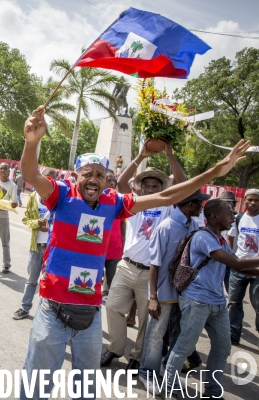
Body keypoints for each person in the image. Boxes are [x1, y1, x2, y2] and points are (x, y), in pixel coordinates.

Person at [18, 105, 249, 399]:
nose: (94, 179)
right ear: (76, 175)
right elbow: (30, 173)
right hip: (52, 311)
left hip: (89, 316)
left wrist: (216, 171)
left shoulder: (114, 203)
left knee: (85, 390)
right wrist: (32, 142)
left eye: (100, 175)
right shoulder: (60, 194)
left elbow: (167, 195)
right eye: (87, 173)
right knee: (35, 387)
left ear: (106, 180)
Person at [162, 199, 259, 400]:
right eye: (229, 212)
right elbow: (237, 263)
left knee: (223, 348)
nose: (234, 215)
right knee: (183, 347)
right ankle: (169, 386)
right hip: (197, 301)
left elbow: (237, 265)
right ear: (214, 216)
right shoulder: (203, 237)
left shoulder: (220, 240)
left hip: (217, 303)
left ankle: (213, 392)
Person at [103, 147, 187, 373]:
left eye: (155, 186)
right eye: (146, 185)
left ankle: (137, 356)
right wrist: (140, 156)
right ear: (139, 187)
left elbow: (183, 183)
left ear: (162, 188)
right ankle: (116, 347)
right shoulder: (134, 204)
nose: (150, 189)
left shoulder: (169, 206)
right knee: (112, 306)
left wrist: (169, 153)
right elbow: (120, 184)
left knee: (144, 318)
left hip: (152, 273)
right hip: (126, 265)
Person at [138, 190, 210, 391]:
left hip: (185, 293)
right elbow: (154, 263)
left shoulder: (194, 225)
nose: (202, 206)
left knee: (180, 334)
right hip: (163, 293)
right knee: (156, 335)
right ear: (189, 205)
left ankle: (166, 369)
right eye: (199, 203)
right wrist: (153, 297)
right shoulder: (165, 227)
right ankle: (147, 372)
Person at [13, 168, 57, 320]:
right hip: (36, 246)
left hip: (53, 248)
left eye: (51, 179)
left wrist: (49, 228)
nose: (48, 182)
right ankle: (24, 308)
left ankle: (46, 313)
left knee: (50, 281)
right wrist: (37, 223)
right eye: (45, 178)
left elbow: (65, 224)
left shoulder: (60, 199)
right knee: (32, 280)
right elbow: (26, 219)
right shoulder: (33, 197)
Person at [226, 188, 259, 346]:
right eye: (250, 199)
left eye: (256, 200)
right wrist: (231, 258)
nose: (252, 203)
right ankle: (233, 333)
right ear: (244, 200)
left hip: (257, 270)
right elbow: (231, 238)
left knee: (257, 303)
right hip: (238, 267)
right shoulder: (238, 218)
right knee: (234, 302)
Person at [101, 169, 126, 304]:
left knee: (113, 281)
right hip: (97, 249)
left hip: (115, 249)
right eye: (108, 179)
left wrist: (124, 242)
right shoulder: (93, 199)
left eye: (113, 181)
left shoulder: (119, 200)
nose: (111, 183)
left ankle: (111, 303)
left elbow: (123, 224)